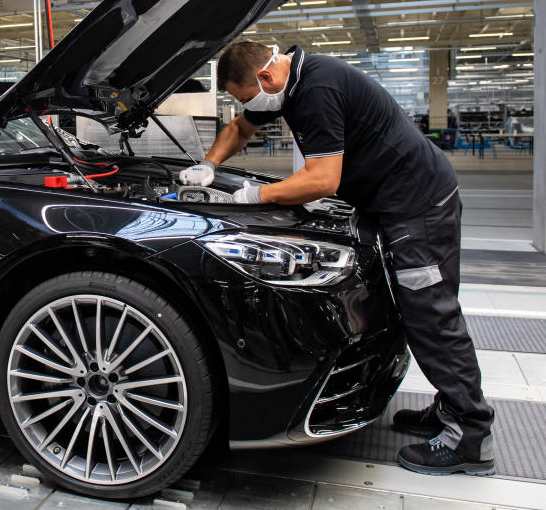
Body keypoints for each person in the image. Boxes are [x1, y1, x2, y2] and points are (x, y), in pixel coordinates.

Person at [180, 41, 495, 476]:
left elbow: (323, 179)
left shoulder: (316, 89)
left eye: (245, 96)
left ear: (266, 79)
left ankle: (469, 435)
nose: (247, 106)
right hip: (394, 204)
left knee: (432, 314)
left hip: (418, 207)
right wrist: (209, 165)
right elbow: (241, 128)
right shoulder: (288, 83)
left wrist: (257, 194)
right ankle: (451, 410)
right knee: (410, 309)